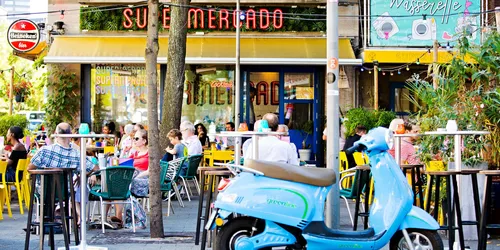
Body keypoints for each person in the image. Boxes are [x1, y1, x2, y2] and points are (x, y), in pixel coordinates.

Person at [28, 123, 98, 224]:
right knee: (76, 188)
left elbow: (29, 168)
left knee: (46, 188)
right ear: (70, 135)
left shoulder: (44, 151)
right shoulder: (76, 154)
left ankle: (47, 218)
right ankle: (67, 216)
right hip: (66, 192)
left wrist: (46, 169)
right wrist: (82, 175)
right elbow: (95, 168)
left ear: (56, 134)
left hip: (42, 191)